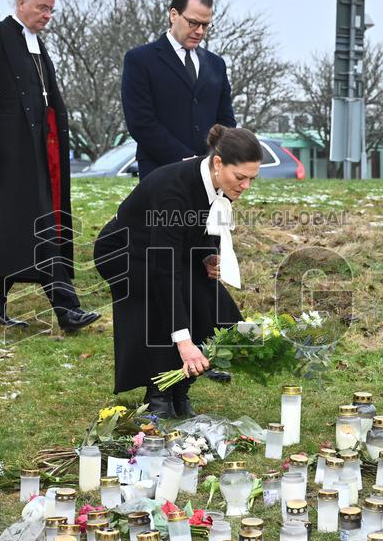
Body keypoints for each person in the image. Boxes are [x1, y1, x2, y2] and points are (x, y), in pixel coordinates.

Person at [93, 125, 262, 418]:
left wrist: (209, 254)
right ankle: (158, 392)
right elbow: (164, 272)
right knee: (168, 295)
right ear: (219, 163)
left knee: (209, 297)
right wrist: (184, 342)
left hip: (165, 252)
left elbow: (205, 226)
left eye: (252, 179)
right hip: (121, 253)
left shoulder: (220, 182)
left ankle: (181, 388)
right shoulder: (174, 191)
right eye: (241, 177)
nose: (245, 186)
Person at [0, 0, 100, 332]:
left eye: (51, 9)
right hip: (8, 158)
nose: (48, 15)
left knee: (17, 231)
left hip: (40, 156)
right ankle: (66, 309)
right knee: (40, 229)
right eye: (42, 7)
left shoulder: (36, 45)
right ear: (21, 3)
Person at [121, 0, 236, 181]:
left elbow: (225, 120)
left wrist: (213, 159)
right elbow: (141, 122)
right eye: (193, 22)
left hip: (210, 176)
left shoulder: (216, 64)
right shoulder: (140, 59)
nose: (200, 31)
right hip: (161, 174)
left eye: (206, 25)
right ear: (174, 15)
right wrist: (188, 160)